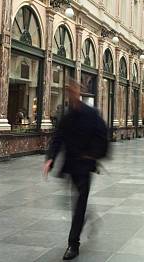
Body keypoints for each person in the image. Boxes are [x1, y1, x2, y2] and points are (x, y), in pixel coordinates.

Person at [43, 81, 109, 260]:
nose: (71, 94)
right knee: (73, 202)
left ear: (79, 92)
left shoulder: (92, 114)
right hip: (71, 166)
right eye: (68, 91)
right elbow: (58, 138)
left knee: (78, 203)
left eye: (74, 90)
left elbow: (103, 136)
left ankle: (73, 244)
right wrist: (50, 158)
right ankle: (88, 216)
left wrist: (94, 155)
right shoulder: (67, 116)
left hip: (85, 166)